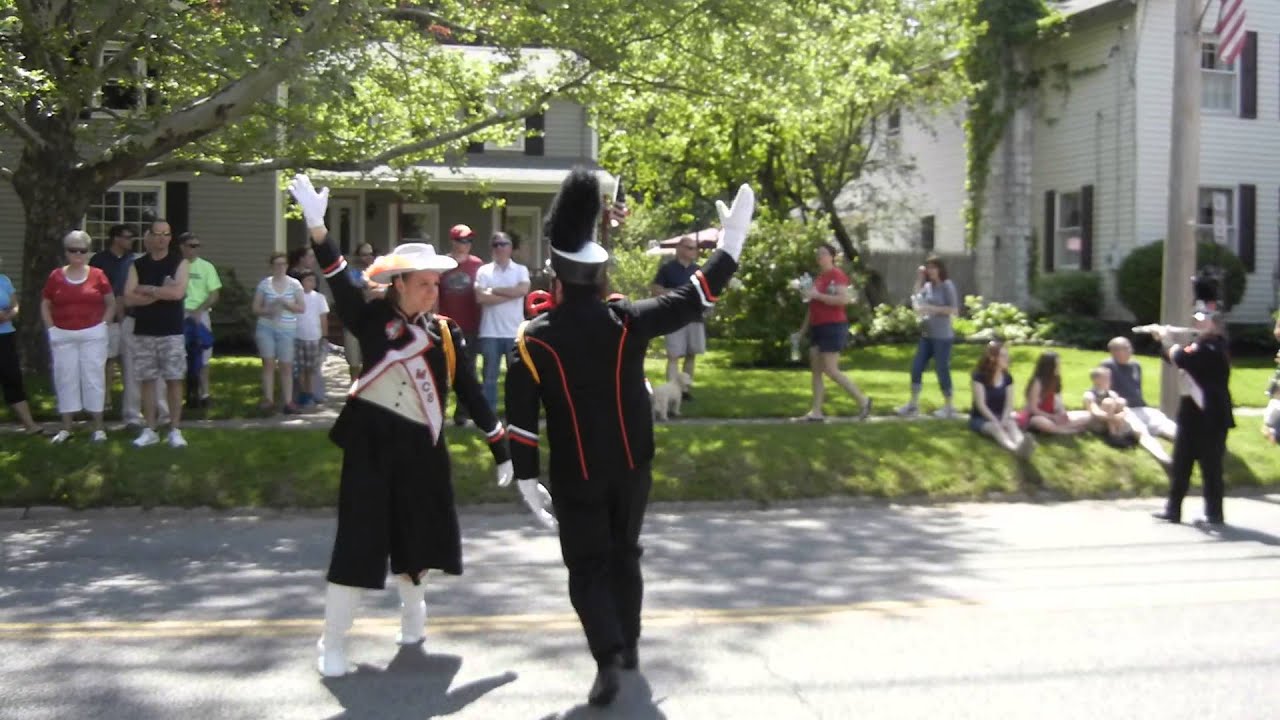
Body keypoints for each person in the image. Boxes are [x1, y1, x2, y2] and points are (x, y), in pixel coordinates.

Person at [504, 168, 755, 706]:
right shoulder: (627, 321)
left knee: (587, 566)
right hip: (633, 465)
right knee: (625, 554)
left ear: (555, 278)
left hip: (577, 473)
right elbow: (696, 296)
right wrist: (730, 245)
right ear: (598, 278)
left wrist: (525, 479)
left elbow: (521, 421)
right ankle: (630, 646)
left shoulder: (533, 341)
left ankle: (607, 657)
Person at [288, 174, 513, 679]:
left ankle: (414, 616)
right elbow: (342, 280)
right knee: (358, 541)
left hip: (422, 452)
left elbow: (471, 392)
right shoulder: (371, 318)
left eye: (437, 283)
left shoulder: (447, 334)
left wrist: (499, 446)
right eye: (425, 283)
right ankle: (332, 641)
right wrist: (319, 228)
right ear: (400, 284)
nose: (434, 291)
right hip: (370, 450)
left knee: (421, 539)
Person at [1146, 273, 1234, 525]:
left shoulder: (1216, 347)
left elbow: (1185, 360)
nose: (1197, 323)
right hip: (1190, 412)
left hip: (1211, 415)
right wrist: (1161, 342)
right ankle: (1173, 509)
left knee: (1211, 467)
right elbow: (1175, 358)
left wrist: (1168, 340)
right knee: (1182, 462)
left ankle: (1214, 513)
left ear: (1215, 324)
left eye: (1203, 320)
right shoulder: (1199, 344)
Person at [41, 231, 115, 443]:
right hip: (63, 334)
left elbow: (111, 302)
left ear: (88, 252)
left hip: (93, 334)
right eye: (73, 250)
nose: (78, 254)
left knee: (93, 378)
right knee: (65, 378)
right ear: (66, 252)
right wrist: (51, 328)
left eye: (82, 250)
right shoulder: (55, 276)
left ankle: (98, 427)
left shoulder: (98, 275)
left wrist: (103, 325)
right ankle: (66, 427)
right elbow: (45, 303)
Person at [124, 219, 190, 448]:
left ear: (171, 237)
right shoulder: (138, 265)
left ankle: (175, 429)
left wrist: (148, 290)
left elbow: (177, 294)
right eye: (157, 233)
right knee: (147, 381)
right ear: (149, 236)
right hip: (144, 331)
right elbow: (129, 297)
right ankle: (150, 429)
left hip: (171, 331)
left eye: (166, 234)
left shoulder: (179, 262)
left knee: (173, 379)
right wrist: (162, 291)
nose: (161, 238)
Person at [795, 243, 871, 422]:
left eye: (823, 253)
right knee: (816, 370)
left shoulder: (837, 275)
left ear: (832, 256)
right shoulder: (820, 278)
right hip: (818, 327)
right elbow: (812, 307)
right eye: (818, 254)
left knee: (830, 369)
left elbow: (844, 299)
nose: (819, 257)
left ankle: (863, 401)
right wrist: (802, 330)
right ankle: (816, 412)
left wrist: (818, 296)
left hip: (833, 326)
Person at [896, 255, 961, 418]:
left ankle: (948, 406)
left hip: (942, 336)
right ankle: (913, 404)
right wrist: (919, 278)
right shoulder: (928, 286)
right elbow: (917, 297)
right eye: (928, 268)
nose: (930, 271)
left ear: (940, 269)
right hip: (927, 335)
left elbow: (954, 310)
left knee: (941, 369)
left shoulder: (947, 285)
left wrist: (932, 309)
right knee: (916, 367)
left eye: (933, 267)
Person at [474, 231, 529, 413]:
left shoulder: (521, 270)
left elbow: (522, 290)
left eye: (503, 244)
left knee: (517, 378)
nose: (499, 248)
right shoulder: (484, 271)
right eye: (496, 244)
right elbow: (481, 297)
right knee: (489, 378)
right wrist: (510, 294)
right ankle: (490, 417)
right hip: (490, 332)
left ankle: (516, 413)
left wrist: (494, 290)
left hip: (514, 332)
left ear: (511, 247)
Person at [438, 224, 483, 425]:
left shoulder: (478, 265)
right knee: (441, 370)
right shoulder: (442, 265)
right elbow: (435, 295)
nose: (466, 245)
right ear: (453, 241)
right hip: (445, 325)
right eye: (462, 240)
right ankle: (438, 411)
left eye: (469, 241)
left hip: (471, 326)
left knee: (467, 371)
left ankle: (462, 413)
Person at [650, 234, 706, 394]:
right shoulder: (667, 269)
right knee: (674, 355)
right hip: (673, 318)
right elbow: (655, 290)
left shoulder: (699, 271)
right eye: (690, 248)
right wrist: (678, 293)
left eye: (696, 248)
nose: (694, 251)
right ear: (679, 249)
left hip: (695, 317)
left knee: (691, 354)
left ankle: (685, 391)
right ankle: (671, 391)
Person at [252, 252, 305, 414]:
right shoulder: (265, 284)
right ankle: (268, 400)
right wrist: (270, 309)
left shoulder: (295, 284)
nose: (280, 267)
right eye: (277, 264)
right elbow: (255, 308)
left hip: (287, 329)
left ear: (287, 266)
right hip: (266, 327)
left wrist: (286, 303)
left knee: (286, 365)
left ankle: (288, 402)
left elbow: (301, 308)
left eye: (283, 264)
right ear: (271, 266)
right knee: (268, 363)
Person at [89, 224, 134, 411]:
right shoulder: (99, 260)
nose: (131, 240)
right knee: (108, 359)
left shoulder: (133, 260)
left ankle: (130, 401)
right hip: (107, 317)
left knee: (129, 361)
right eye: (128, 237)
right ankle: (105, 398)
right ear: (116, 239)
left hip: (130, 316)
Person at [1102, 336, 1177, 440]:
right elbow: (1102, 391)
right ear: (1114, 352)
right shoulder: (1107, 366)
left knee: (1166, 423)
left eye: (1129, 347)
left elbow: (1137, 389)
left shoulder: (1135, 365)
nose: (1130, 351)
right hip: (1124, 409)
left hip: (1141, 407)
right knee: (1146, 430)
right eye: (1125, 348)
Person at [0, 255, 43, 433]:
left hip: (5, 335)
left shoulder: (4, 280)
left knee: (12, 378)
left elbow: (15, 305)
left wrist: (9, 315)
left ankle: (30, 425)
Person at [968, 340, 1033, 457]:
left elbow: (1009, 404)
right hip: (981, 418)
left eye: (1007, 355)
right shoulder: (978, 377)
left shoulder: (1008, 378)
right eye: (1003, 356)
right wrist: (996, 421)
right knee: (996, 428)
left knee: (1011, 424)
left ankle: (1022, 443)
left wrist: (1003, 419)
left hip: (1001, 415)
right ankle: (1014, 449)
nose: (1007, 359)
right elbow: (981, 405)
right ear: (993, 358)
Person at [178, 232, 221, 408]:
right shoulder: (176, 265)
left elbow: (214, 293)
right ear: (182, 247)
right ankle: (182, 395)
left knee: (203, 356)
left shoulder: (207, 267)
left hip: (201, 315)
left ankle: (204, 393)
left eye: (197, 246)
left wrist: (199, 309)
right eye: (191, 246)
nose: (195, 249)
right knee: (179, 356)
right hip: (179, 315)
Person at [1017, 351, 1092, 435]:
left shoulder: (1056, 379)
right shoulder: (1037, 383)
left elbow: (1059, 402)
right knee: (1040, 422)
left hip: (1053, 415)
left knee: (1088, 416)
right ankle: (1064, 430)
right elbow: (1033, 409)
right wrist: (1053, 417)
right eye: (1057, 364)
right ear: (1048, 366)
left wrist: (1062, 414)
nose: (1060, 367)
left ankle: (1056, 428)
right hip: (1036, 416)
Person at [341, 242, 378, 382]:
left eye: (370, 254)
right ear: (358, 256)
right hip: (354, 319)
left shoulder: (379, 273)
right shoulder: (351, 273)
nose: (368, 257)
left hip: (374, 321)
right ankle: (354, 388)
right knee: (354, 360)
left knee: (372, 359)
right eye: (364, 254)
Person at [293, 269, 330, 410]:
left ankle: (310, 392)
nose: (310, 283)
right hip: (298, 336)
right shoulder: (296, 297)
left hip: (314, 337)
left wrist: (324, 336)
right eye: (307, 280)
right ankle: (305, 394)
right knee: (300, 368)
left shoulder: (319, 298)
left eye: (313, 280)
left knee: (311, 368)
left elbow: (323, 318)